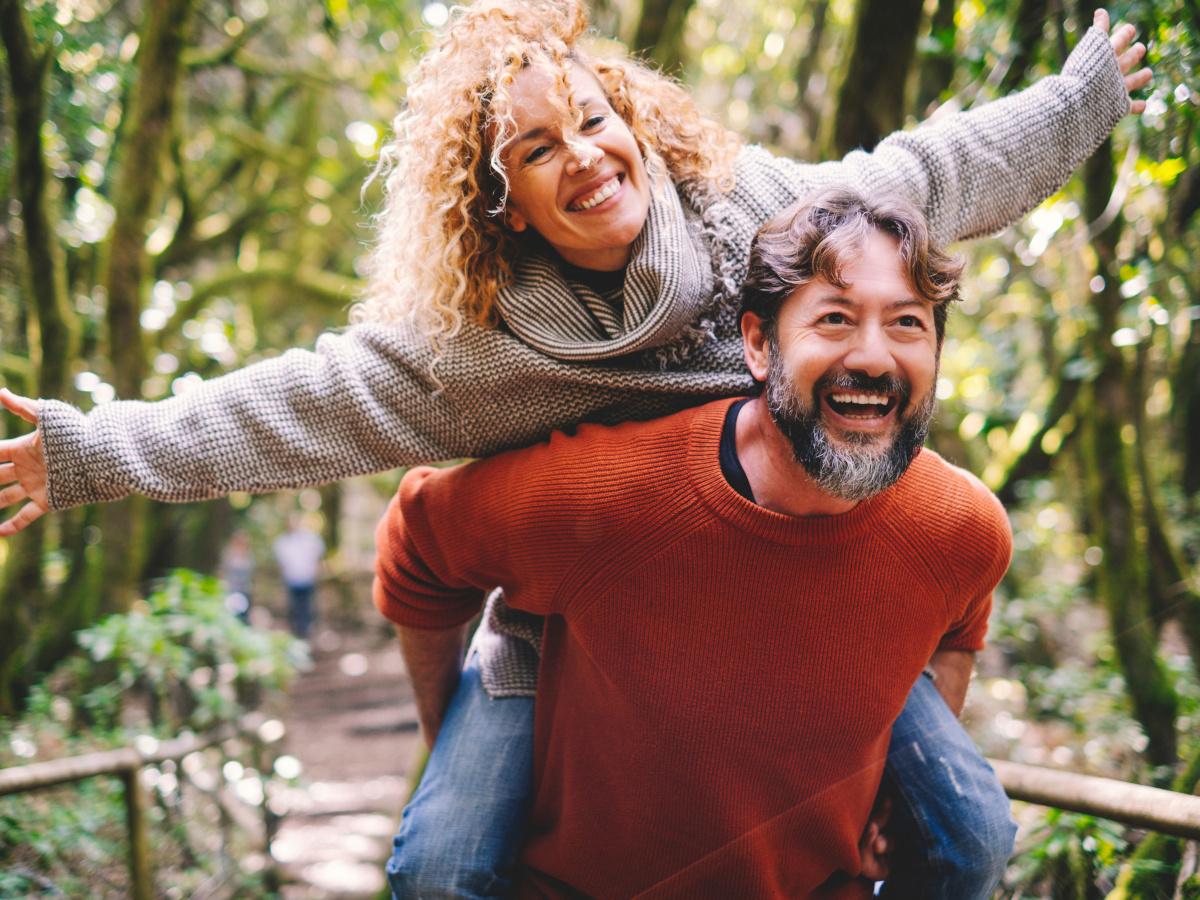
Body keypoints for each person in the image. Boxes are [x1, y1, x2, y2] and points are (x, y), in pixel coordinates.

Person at [0, 0, 1150, 894]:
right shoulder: (478, 350)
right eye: (539, 150)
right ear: (502, 206)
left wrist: (1084, 98)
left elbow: (935, 173)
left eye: (595, 118)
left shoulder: (762, 216)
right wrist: (86, 450)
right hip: (566, 619)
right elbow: (298, 406)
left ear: (637, 122)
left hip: (795, 574)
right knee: (440, 865)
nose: (587, 155)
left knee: (971, 832)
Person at [373, 187, 1013, 898]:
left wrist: (897, 793)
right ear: (759, 344)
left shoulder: (962, 528)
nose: (872, 356)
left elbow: (961, 623)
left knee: (977, 840)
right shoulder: (607, 496)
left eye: (907, 325)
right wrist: (446, 737)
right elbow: (418, 542)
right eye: (834, 319)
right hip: (576, 879)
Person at [273, 514, 325, 639]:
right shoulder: (283, 542)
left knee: (306, 606)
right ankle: (296, 632)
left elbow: (318, 556)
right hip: (291, 580)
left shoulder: (311, 539)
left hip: (307, 579)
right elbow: (280, 562)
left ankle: (306, 632)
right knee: (294, 607)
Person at [221, 528, 255, 622]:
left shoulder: (248, 555)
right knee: (232, 615)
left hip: (245, 589)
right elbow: (224, 571)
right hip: (232, 589)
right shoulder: (229, 554)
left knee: (244, 617)